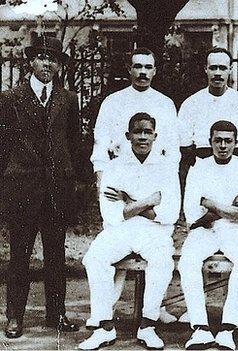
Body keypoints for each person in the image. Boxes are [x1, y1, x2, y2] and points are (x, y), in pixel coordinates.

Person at [0, 34, 82, 338]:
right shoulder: (11, 98)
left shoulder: (68, 99)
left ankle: (56, 315)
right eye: (42, 58)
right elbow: (3, 144)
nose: (47, 64)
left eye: (53, 59)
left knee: (55, 256)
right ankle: (15, 318)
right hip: (22, 189)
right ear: (31, 62)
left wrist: (70, 176)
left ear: (59, 66)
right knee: (20, 256)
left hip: (56, 190)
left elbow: (73, 142)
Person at [79, 113, 180, 350]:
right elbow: (111, 213)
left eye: (147, 132)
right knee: (94, 258)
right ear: (128, 136)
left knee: (162, 261)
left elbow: (170, 213)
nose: (142, 137)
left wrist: (128, 202)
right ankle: (105, 327)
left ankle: (148, 325)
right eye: (137, 132)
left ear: (155, 136)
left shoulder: (167, 168)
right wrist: (148, 202)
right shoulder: (114, 167)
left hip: (155, 230)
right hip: (122, 230)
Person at [178, 120, 238, 350]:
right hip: (204, 232)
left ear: (236, 143)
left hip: (234, 232)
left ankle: (228, 328)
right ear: (210, 141)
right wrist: (230, 208)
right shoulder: (199, 168)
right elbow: (193, 216)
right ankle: (200, 328)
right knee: (187, 262)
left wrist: (211, 204)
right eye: (218, 140)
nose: (223, 145)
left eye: (228, 141)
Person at [90, 47, 180, 187]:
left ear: (154, 71)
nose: (143, 72)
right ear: (129, 69)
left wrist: (169, 183)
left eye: (148, 67)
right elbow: (101, 144)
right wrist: (100, 180)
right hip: (120, 175)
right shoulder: (112, 102)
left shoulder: (165, 104)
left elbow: (172, 149)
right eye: (138, 67)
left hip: (155, 176)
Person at [178, 47, 238, 170]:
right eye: (213, 68)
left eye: (222, 68)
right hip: (201, 165)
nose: (217, 73)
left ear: (230, 69)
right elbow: (184, 144)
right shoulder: (191, 103)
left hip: (232, 165)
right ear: (205, 69)